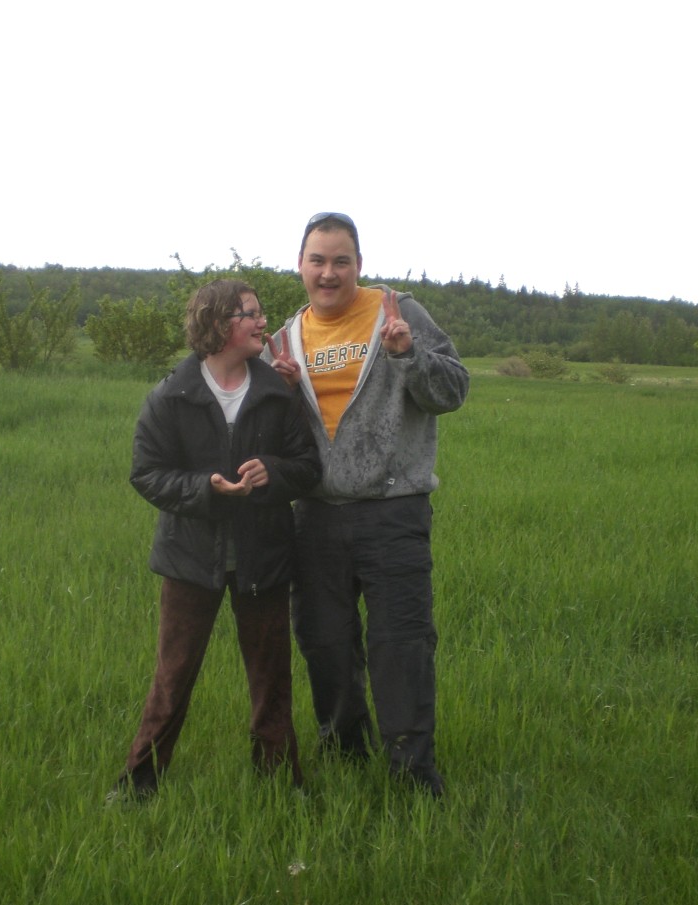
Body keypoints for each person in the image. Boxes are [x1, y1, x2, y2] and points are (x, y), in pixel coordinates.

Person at [265, 212, 469, 797]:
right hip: (315, 516)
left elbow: (453, 391)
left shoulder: (397, 313)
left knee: (401, 644)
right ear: (300, 265)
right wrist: (280, 394)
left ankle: (412, 773)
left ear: (360, 264)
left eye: (341, 261)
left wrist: (408, 356)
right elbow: (275, 437)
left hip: (393, 511)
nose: (329, 273)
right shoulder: (285, 339)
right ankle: (344, 753)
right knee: (324, 642)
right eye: (318, 260)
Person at [110, 279, 322, 800]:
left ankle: (280, 782)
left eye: (260, 312)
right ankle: (140, 782)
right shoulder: (172, 395)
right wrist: (205, 489)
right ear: (217, 323)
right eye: (250, 313)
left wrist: (272, 471)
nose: (262, 322)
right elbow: (147, 473)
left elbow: (307, 467)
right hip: (189, 560)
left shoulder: (276, 393)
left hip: (264, 557)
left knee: (271, 678)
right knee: (173, 676)